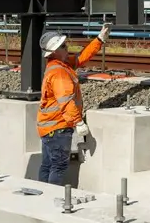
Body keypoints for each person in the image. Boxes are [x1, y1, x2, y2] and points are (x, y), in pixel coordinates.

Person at [36, 23, 111, 185]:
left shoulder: (61, 64)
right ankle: (51, 198)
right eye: (63, 46)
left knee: (47, 164)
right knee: (59, 165)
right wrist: (78, 121)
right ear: (54, 51)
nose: (66, 47)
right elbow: (66, 100)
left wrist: (99, 40)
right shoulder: (59, 72)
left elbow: (81, 58)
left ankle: (42, 198)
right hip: (58, 127)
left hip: (49, 127)